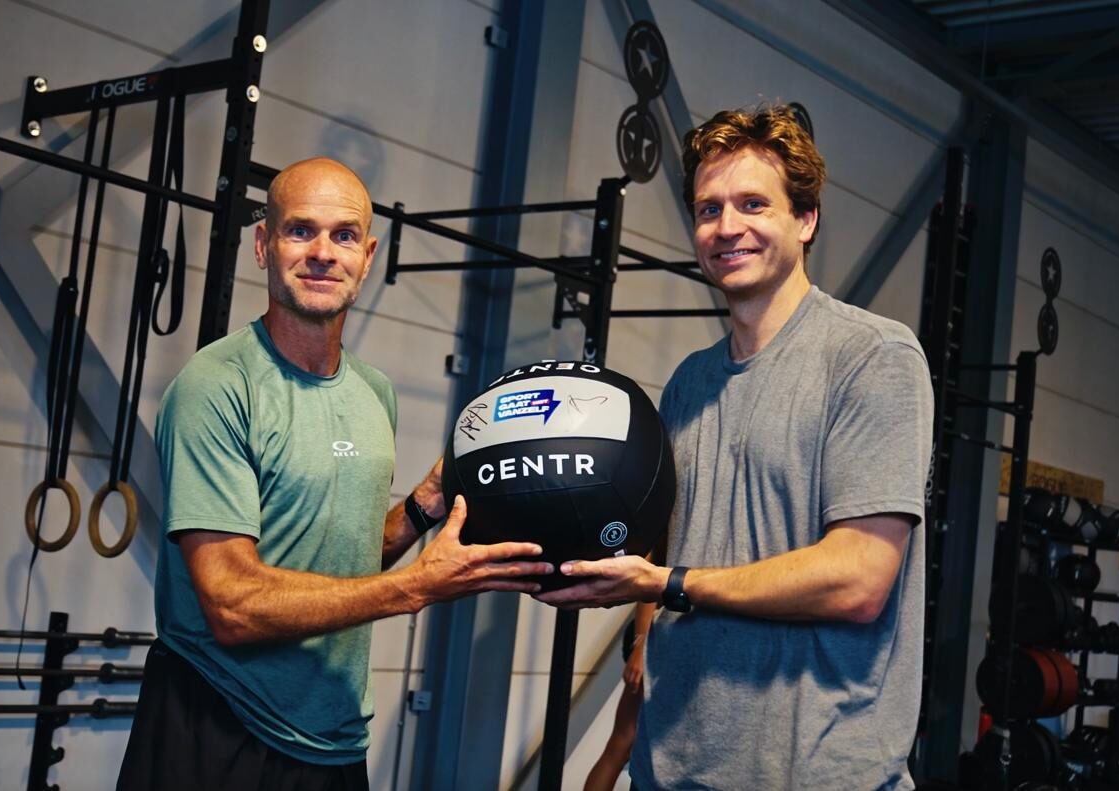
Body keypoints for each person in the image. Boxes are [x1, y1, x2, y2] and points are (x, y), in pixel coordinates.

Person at [116, 157, 554, 791]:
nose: (323, 253)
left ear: (368, 256)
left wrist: (423, 506)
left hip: (336, 735)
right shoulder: (216, 387)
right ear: (263, 245)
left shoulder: (375, 392)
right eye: (301, 231)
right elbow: (232, 604)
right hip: (219, 723)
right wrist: (416, 588)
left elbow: (338, 559)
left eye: (344, 235)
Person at [537, 106, 933, 790]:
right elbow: (660, 544)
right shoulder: (689, 383)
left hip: (814, 775)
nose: (726, 227)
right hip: (673, 766)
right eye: (708, 209)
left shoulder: (872, 356)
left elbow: (859, 579)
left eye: (753, 204)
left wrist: (669, 585)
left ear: (805, 219)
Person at [583, 601, 655, 791]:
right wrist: (642, 645)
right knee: (621, 744)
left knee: (621, 744)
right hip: (660, 639)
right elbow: (649, 593)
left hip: (677, 638)